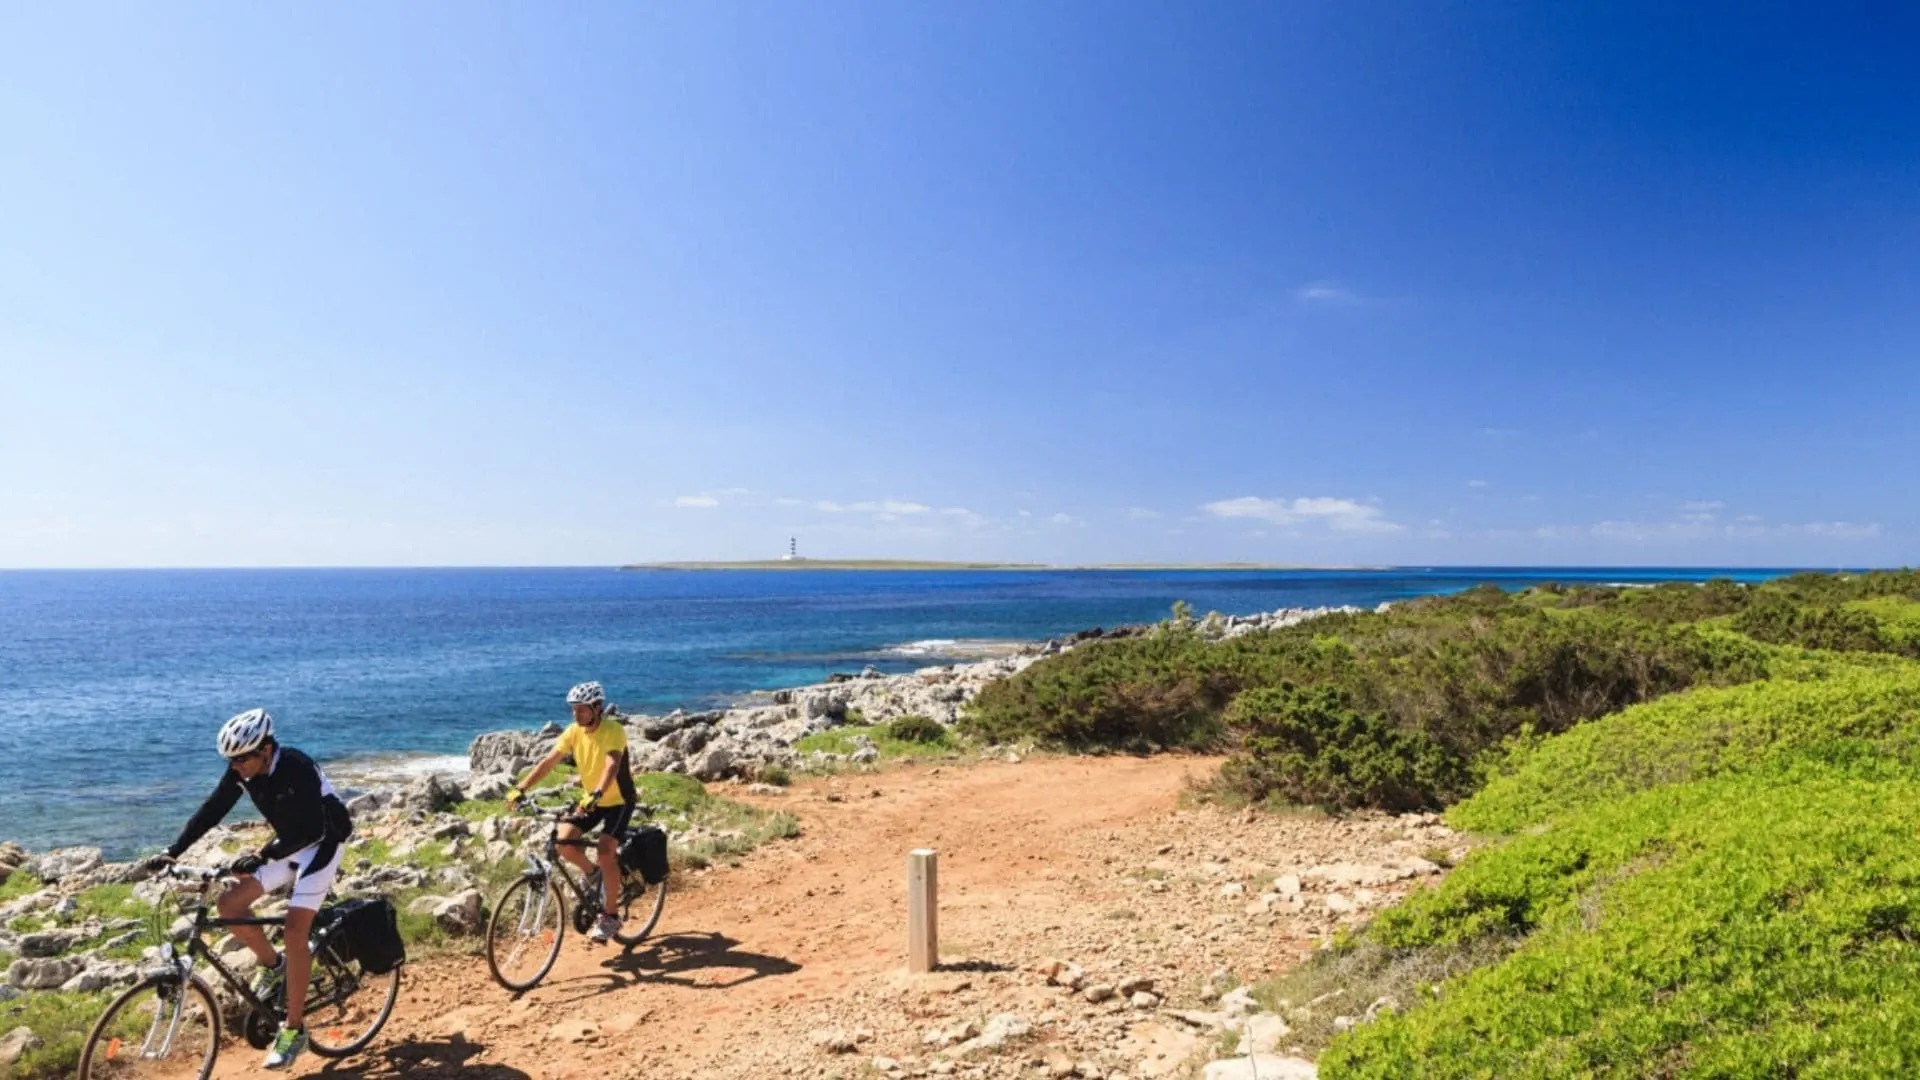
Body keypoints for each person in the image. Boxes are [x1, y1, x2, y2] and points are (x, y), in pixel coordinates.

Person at [148, 708, 353, 1071]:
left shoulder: (296, 768)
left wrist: (260, 856)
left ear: (266, 750)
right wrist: (172, 851)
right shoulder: (243, 772)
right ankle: (275, 966)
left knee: (294, 930)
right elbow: (213, 810)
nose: (236, 765)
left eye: (242, 758)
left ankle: (293, 1030)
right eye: (231, 759)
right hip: (286, 844)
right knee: (229, 906)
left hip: (322, 844)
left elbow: (311, 830)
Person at [506, 681, 636, 943]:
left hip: (618, 801)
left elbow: (612, 764)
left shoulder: (614, 730)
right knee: (564, 842)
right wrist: (522, 787)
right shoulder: (574, 731)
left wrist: (598, 791)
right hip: (591, 800)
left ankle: (610, 917)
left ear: (597, 708)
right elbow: (549, 761)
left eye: (582, 710)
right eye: (574, 710)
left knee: (605, 851)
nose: (576, 715)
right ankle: (593, 874)